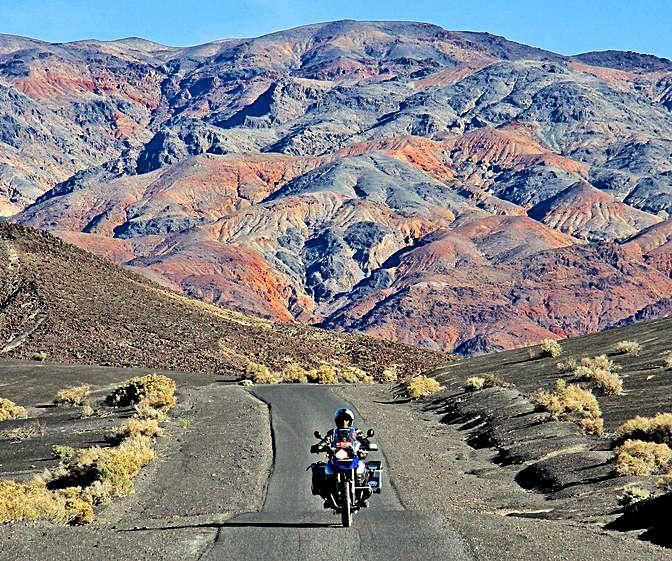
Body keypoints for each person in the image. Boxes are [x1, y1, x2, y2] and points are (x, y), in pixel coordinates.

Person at [320, 407, 372, 508]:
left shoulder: (356, 431)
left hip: (352, 455)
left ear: (350, 421)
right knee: (327, 469)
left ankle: (364, 493)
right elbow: (326, 440)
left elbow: (363, 439)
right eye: (341, 419)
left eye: (346, 419)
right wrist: (320, 445)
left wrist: (368, 444)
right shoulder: (332, 432)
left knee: (362, 467)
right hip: (337, 456)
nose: (344, 422)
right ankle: (329, 495)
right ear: (337, 421)